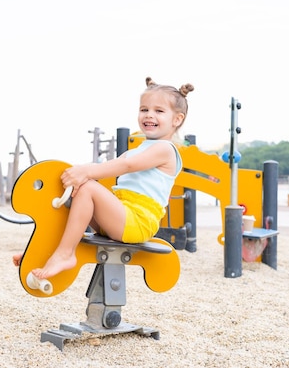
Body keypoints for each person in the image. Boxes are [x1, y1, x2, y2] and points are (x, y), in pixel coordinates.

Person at [13, 77, 194, 280]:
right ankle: (45, 250)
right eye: (144, 109)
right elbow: (112, 165)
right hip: (121, 216)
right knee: (76, 191)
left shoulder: (165, 149)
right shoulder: (140, 148)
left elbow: (126, 166)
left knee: (88, 187)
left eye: (159, 111)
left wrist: (86, 172)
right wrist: (80, 174)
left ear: (177, 119)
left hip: (137, 222)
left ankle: (65, 254)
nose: (149, 115)